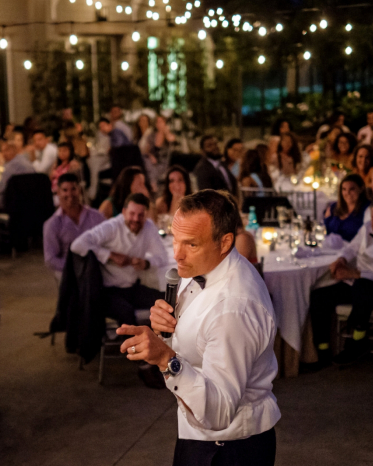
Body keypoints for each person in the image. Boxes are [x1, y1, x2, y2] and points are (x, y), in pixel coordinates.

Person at [119, 190, 279, 465]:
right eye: (175, 241)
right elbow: (199, 333)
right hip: (198, 434)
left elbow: (219, 413)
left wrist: (165, 359)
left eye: (191, 244)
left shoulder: (233, 309)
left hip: (228, 449)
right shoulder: (202, 265)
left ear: (225, 242)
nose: (177, 255)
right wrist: (166, 330)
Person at [309, 197, 373, 366]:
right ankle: (323, 350)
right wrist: (342, 259)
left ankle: (358, 342)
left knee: (363, 289)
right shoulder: (366, 228)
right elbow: (352, 247)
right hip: (357, 282)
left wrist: (353, 273)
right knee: (318, 297)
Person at [71, 193, 167, 325]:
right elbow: (77, 245)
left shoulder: (148, 227)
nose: (136, 219)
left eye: (141, 215)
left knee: (166, 302)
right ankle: (132, 346)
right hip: (107, 291)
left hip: (132, 288)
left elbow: (163, 257)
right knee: (126, 314)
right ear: (124, 212)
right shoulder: (112, 227)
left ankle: (165, 343)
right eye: (132, 214)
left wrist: (146, 263)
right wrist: (110, 255)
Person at [43, 173, 105, 280]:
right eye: (65, 190)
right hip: (68, 271)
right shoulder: (52, 224)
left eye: (73, 189)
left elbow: (107, 243)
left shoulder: (96, 217)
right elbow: (50, 259)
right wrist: (75, 268)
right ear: (58, 192)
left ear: (80, 190)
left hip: (96, 267)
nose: (70, 194)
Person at [324, 174, 370, 242]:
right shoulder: (333, 207)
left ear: (361, 189)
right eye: (344, 189)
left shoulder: (368, 209)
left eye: (352, 189)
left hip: (354, 250)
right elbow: (323, 229)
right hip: (329, 250)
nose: (347, 193)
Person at [0, 140, 36, 210]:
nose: (3, 154)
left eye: (6, 150)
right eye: (2, 151)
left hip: (15, 207)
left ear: (13, 150)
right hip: (32, 204)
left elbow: (0, 190)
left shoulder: (10, 167)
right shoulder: (26, 162)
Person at [143, 115, 176, 187]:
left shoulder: (168, 135)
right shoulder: (151, 135)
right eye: (157, 122)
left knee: (158, 167)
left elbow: (172, 140)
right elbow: (147, 150)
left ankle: (154, 183)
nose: (159, 124)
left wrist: (165, 131)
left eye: (161, 122)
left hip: (165, 160)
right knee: (148, 161)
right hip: (154, 161)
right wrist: (151, 156)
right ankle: (153, 183)